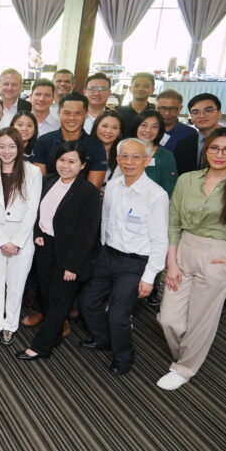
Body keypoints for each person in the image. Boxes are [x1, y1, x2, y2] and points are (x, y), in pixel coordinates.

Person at [157, 128, 226, 391]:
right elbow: (173, 222)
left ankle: (185, 368)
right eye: (214, 147)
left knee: (202, 319)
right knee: (169, 319)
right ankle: (187, 353)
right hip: (183, 248)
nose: (219, 154)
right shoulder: (187, 180)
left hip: (218, 256)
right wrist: (172, 262)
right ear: (206, 150)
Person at [79, 138, 169, 375]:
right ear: (117, 159)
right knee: (87, 302)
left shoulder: (156, 195)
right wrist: (102, 248)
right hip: (108, 255)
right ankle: (103, 339)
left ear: (146, 161)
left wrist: (150, 276)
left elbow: (160, 240)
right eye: (124, 156)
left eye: (136, 157)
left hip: (134, 263)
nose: (129, 162)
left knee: (118, 315)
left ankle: (123, 358)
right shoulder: (113, 186)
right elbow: (106, 219)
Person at [16, 141, 101, 361]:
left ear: (83, 165)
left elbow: (87, 233)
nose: (65, 165)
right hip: (45, 247)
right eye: (62, 160)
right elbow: (35, 211)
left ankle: (40, 347)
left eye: (72, 161)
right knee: (46, 295)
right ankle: (53, 336)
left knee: (59, 301)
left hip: (70, 254)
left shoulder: (88, 193)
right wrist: (38, 232)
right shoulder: (48, 181)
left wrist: (73, 265)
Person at [0, 128, 42, 345]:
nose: (6, 151)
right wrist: (1, 241)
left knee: (16, 286)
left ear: (19, 147)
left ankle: (10, 325)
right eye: (2, 146)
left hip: (21, 239)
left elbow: (32, 210)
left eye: (11, 146)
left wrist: (15, 242)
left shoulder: (32, 172)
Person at [31, 92, 108, 189]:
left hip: (82, 198)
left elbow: (93, 189)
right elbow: (39, 183)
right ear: (59, 113)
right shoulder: (44, 141)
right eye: (67, 113)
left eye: (77, 113)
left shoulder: (96, 146)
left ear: (86, 114)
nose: (72, 118)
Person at [174, 93, 226, 181]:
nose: (202, 115)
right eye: (195, 112)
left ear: (219, 113)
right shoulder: (184, 144)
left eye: (208, 110)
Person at [131, 109, 178, 195]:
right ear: (136, 126)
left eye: (154, 127)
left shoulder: (166, 155)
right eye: (144, 125)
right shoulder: (124, 149)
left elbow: (169, 190)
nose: (148, 130)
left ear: (160, 130)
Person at [92, 110, 125, 187]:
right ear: (96, 127)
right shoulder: (84, 150)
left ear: (120, 132)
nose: (108, 131)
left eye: (115, 128)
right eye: (104, 126)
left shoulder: (123, 155)